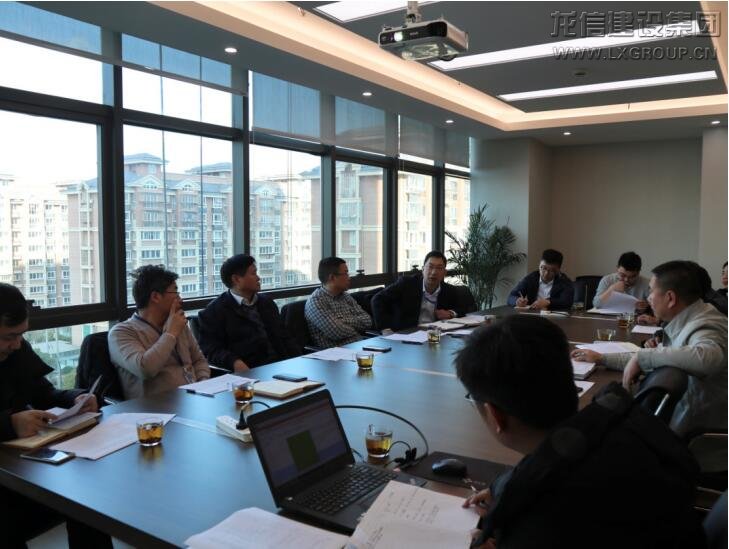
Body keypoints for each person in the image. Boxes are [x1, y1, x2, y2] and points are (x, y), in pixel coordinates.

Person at [457, 315, 706, 549]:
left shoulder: (544, 520)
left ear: (495, 415)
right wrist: (503, 488)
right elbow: (547, 461)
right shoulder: (613, 418)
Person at [0, 283, 111, 548]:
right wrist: (9, 424)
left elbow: (44, 393)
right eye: (9, 336)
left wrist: (76, 398)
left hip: (24, 466)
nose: (17, 344)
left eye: (21, 335)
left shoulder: (17, 350)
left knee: (84, 496)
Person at [572, 260, 727, 438]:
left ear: (670, 298)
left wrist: (643, 357)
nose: (649, 298)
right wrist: (601, 358)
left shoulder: (707, 324)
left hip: (698, 439)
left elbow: (706, 358)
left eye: (652, 291)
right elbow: (654, 357)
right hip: (680, 422)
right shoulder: (691, 316)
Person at [108, 265, 210, 399]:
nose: (180, 300)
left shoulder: (177, 324)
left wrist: (202, 384)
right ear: (155, 296)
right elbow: (145, 369)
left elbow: (199, 360)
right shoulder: (121, 332)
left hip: (193, 399)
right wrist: (170, 334)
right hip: (155, 408)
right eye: (175, 293)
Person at [198, 254, 300, 371]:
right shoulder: (214, 312)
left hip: (281, 366)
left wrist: (299, 360)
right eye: (253, 273)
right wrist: (234, 362)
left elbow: (285, 336)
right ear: (236, 279)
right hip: (249, 372)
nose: (258, 278)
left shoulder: (266, 302)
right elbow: (211, 350)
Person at [371, 251, 465, 331]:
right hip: (408, 333)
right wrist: (386, 329)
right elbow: (377, 299)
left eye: (439, 268)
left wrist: (450, 313)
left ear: (444, 273)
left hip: (436, 334)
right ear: (423, 269)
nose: (434, 272)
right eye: (430, 267)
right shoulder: (407, 284)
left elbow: (462, 308)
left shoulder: (449, 290)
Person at [305, 257, 372, 348]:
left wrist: (341, 321)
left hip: (359, 346)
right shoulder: (316, 301)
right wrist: (356, 326)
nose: (349, 278)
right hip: (337, 353)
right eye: (346, 273)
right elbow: (337, 332)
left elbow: (368, 321)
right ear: (332, 277)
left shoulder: (345, 297)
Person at [507, 249, 573, 311]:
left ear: (558, 270)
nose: (546, 273)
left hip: (553, 317)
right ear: (539, 265)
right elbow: (511, 297)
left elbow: (567, 302)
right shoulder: (531, 278)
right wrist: (517, 301)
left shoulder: (565, 282)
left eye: (551, 271)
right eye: (543, 268)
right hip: (532, 315)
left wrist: (548, 302)